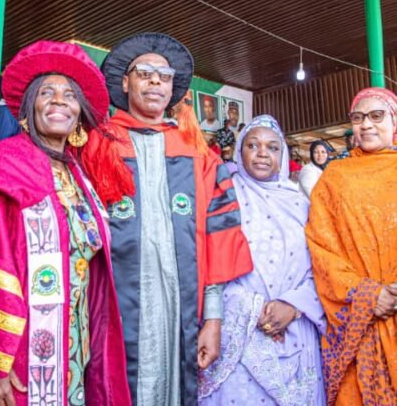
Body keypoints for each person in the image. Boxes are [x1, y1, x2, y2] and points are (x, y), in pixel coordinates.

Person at [82, 32, 253, 406]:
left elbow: (215, 236)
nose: (155, 81)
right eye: (144, 73)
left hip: (182, 309)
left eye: (164, 75)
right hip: (112, 310)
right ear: (125, 83)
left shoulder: (197, 152)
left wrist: (213, 319)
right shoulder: (98, 144)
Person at [0, 41, 130, 406]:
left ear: (79, 113)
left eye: (70, 95)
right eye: (47, 93)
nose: (59, 101)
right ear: (28, 109)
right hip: (20, 353)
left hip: (74, 346)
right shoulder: (2, 165)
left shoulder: (78, 174)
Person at [199, 115, 326, 405]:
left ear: (282, 156)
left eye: (272, 148)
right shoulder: (222, 197)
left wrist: (293, 307)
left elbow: (321, 264)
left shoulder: (302, 204)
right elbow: (209, 260)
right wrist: (254, 309)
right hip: (238, 333)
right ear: (240, 152)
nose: (262, 154)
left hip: (295, 327)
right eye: (252, 145)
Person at [306, 87, 397, 406]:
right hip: (357, 321)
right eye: (358, 118)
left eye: (376, 116)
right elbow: (321, 247)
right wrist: (369, 296)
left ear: (394, 121)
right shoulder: (335, 177)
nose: (366, 125)